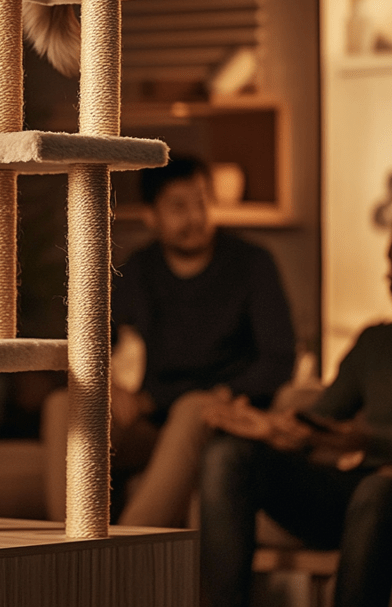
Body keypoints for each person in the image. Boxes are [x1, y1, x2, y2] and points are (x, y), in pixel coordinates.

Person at [200, 193, 392, 607]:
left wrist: (370, 443)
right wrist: (276, 427)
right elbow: (324, 418)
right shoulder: (377, 342)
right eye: (389, 263)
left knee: (379, 488)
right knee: (228, 455)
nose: (391, 273)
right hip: (356, 486)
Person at [110, 154, 296, 526]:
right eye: (179, 207)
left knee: (194, 406)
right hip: (151, 419)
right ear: (151, 216)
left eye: (202, 202)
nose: (196, 218)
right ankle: (58, 549)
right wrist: (113, 388)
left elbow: (279, 358)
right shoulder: (137, 269)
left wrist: (227, 393)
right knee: (62, 406)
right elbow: (97, 346)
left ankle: (119, 552)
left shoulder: (252, 263)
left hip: (220, 414)